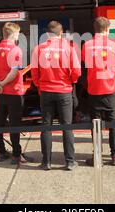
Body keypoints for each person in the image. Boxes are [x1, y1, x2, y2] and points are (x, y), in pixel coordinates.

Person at [31, 21, 81, 171]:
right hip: (64, 90)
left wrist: (40, 84)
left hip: (45, 91)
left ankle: (46, 162)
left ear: (47, 34)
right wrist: (70, 81)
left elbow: (34, 72)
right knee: (67, 127)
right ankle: (70, 162)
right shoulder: (69, 48)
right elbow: (77, 72)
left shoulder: (38, 49)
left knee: (46, 126)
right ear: (61, 33)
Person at [82, 17, 115, 166]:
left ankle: (97, 156)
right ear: (107, 29)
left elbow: (86, 64)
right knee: (113, 123)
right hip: (111, 89)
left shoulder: (86, 45)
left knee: (96, 125)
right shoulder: (114, 46)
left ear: (95, 29)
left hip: (94, 89)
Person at [0, 22, 28, 164]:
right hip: (14, 92)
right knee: (14, 124)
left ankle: (1, 152)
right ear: (15, 35)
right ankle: (16, 155)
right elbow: (14, 71)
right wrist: (2, 83)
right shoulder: (16, 50)